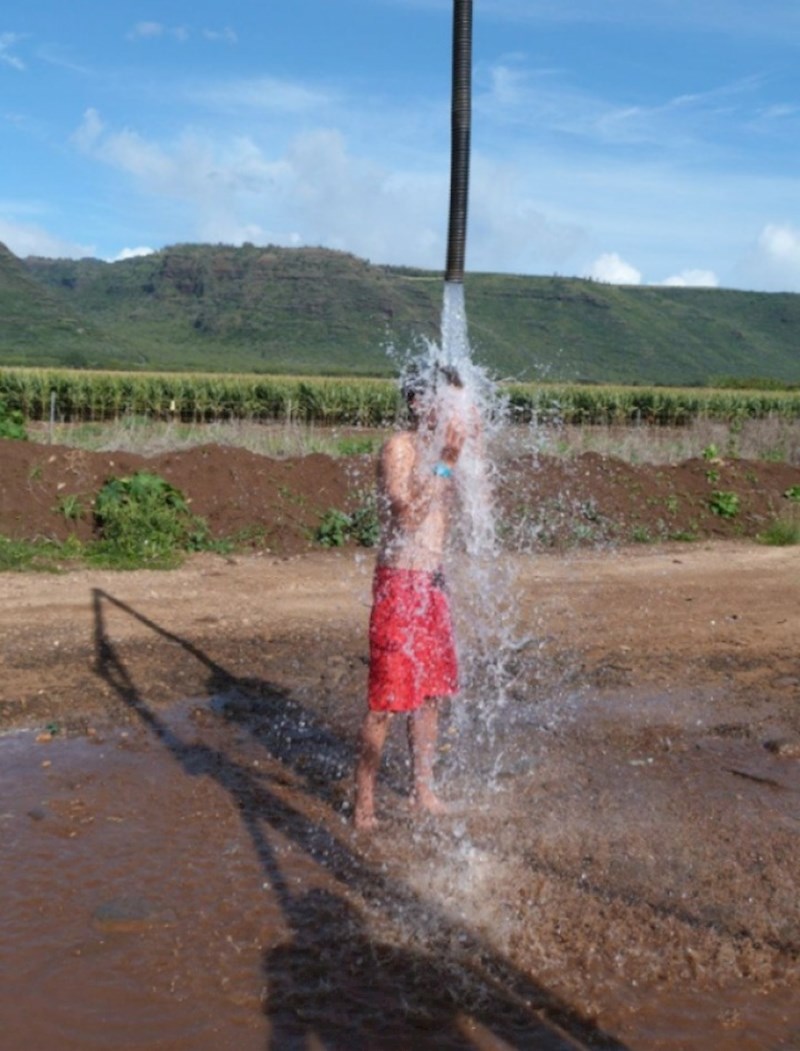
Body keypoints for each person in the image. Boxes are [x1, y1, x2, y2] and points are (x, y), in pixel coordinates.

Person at [353, 366, 468, 830]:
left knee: (432, 696)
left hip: (432, 583)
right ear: (420, 402)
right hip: (400, 584)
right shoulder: (399, 448)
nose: (454, 410)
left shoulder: (440, 448)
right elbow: (406, 517)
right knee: (386, 702)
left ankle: (423, 790)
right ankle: (364, 805)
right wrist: (445, 463)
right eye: (446, 399)